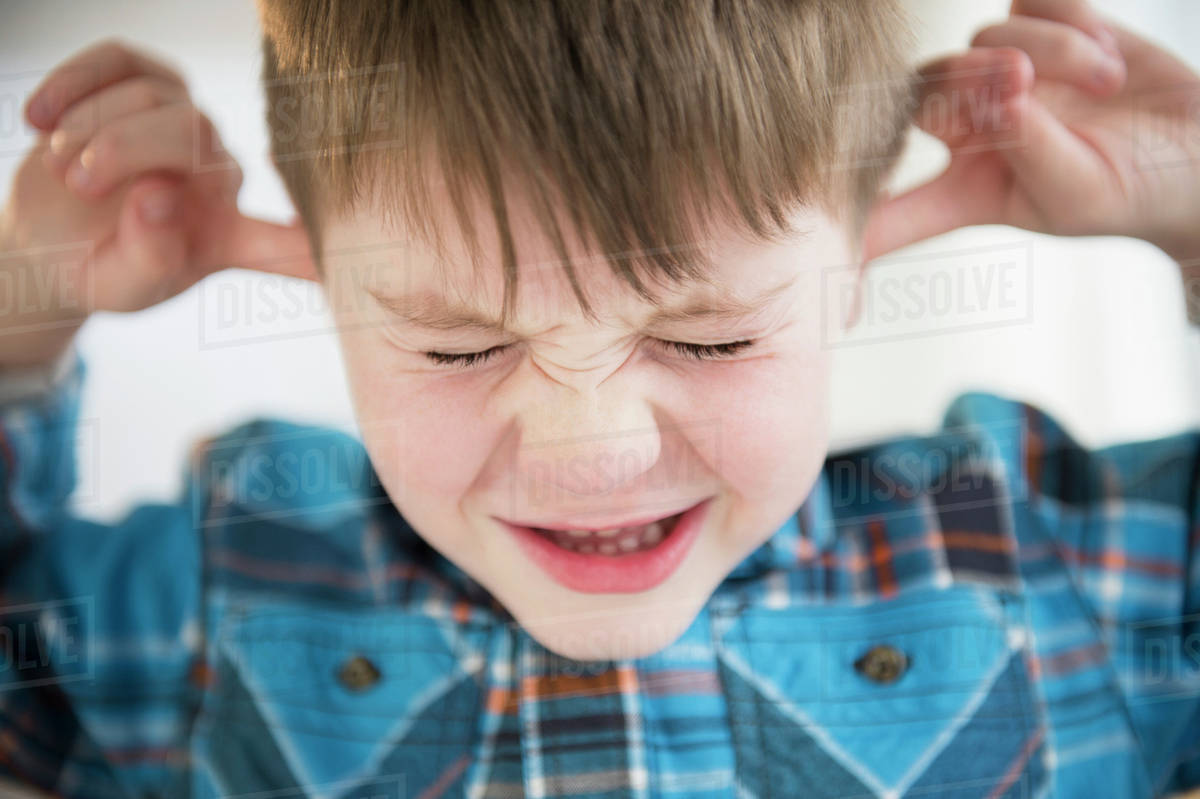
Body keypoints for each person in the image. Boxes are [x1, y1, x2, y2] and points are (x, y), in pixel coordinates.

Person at [1, 1, 1197, 797]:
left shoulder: (1037, 559)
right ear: (317, 271)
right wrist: (24, 310)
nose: (592, 451)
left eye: (712, 334)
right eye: (460, 348)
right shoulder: (232, 594)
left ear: (857, 264)